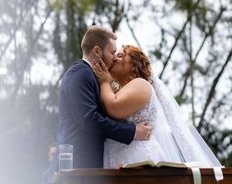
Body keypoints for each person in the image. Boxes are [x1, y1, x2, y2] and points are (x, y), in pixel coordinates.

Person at [44, 26, 152, 183]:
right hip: (75, 170)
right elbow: (90, 120)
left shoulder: (94, 77)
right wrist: (134, 131)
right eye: (112, 52)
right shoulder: (80, 74)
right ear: (97, 51)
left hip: (87, 171)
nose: (114, 58)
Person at [92, 45, 222, 168]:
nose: (114, 58)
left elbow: (114, 108)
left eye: (120, 56)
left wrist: (104, 81)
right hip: (118, 159)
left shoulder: (141, 84)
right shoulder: (121, 90)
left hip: (137, 161)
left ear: (134, 67)